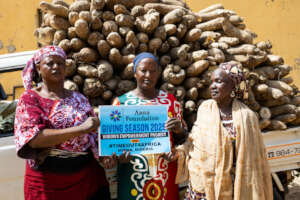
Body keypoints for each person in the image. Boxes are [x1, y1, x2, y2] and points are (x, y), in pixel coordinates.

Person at [14, 46, 114, 200]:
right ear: (39, 67)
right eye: (50, 63)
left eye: (61, 63)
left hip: (85, 177)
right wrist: (80, 129)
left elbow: (93, 135)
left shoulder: (78, 98)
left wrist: (104, 156)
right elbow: (34, 139)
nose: (56, 67)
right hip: (48, 180)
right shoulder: (30, 99)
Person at [175, 62, 273, 200]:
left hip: (233, 189)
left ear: (233, 86)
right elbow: (193, 142)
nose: (212, 86)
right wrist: (178, 152)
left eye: (219, 82)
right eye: (212, 82)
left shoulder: (247, 117)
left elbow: (255, 160)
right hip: (202, 187)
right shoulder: (205, 109)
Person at [110, 52, 188, 200]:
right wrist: (119, 156)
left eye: (153, 71)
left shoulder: (170, 102)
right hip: (132, 174)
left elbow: (182, 139)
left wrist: (178, 132)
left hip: (164, 172)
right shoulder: (121, 104)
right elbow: (113, 143)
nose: (148, 75)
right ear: (134, 73)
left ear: (158, 74)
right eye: (143, 70)